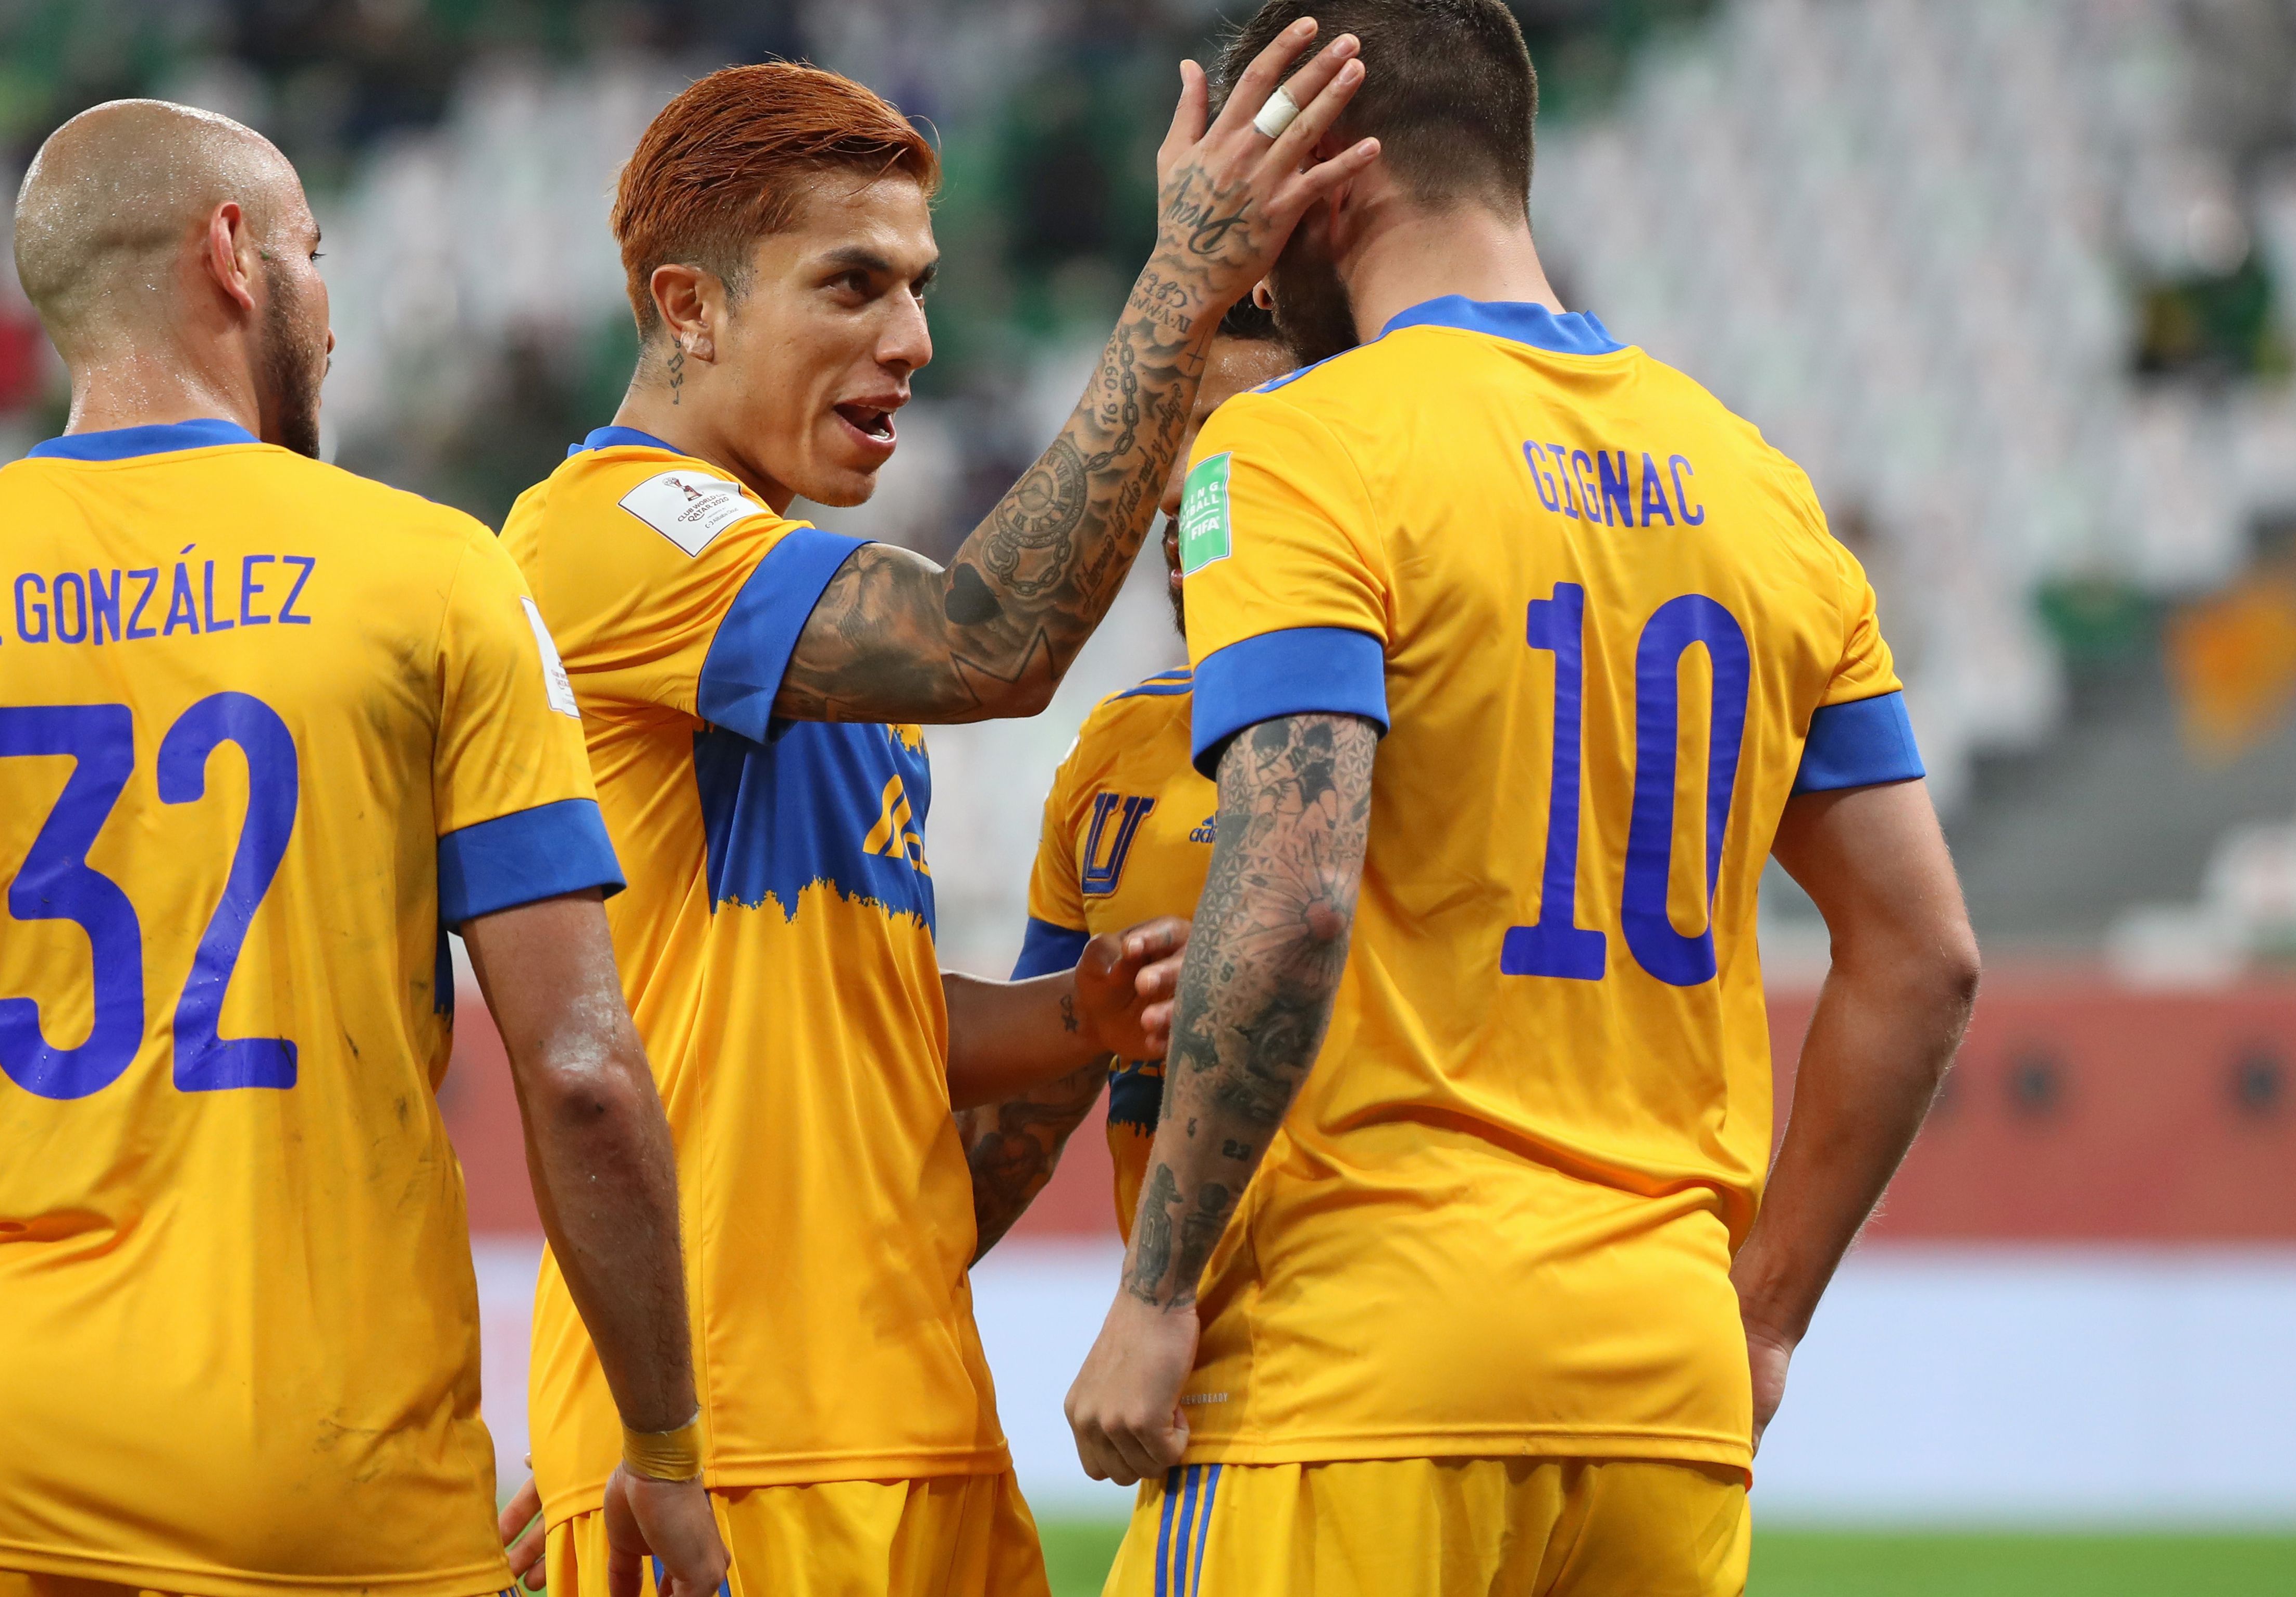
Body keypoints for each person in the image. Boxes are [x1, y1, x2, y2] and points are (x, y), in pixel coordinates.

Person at [0, 100, 726, 1597]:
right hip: (331, 1478)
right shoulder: (439, 576)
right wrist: (664, 1444)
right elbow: (583, 1071)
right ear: (232, 254)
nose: (329, 310)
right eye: (312, 255)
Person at [1062, 4, 1985, 1593]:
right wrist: (1764, 1316)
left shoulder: (1296, 449)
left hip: (1363, 1372)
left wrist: (1153, 1297)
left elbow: (1291, 895)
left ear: (1320, 182)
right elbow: (1925, 956)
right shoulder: (1761, 490)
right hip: (1664, 1397)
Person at [495, 29, 1378, 1596]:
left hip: (912, 1413)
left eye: (917, 286)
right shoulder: (610, 533)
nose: (910, 338)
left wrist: (1079, 1013)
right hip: (750, 1447)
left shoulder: (788, 613)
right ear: (689, 308)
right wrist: (1187, 281)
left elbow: (862, 1012)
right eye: (852, 285)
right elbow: (992, 641)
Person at [962, 299, 1297, 1256]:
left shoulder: (1449, 729)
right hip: (1175, 1348)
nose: (1176, 489)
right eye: (1170, 436)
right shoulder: (1116, 751)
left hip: (1392, 1337)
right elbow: (1022, 1117)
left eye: (1225, 437)